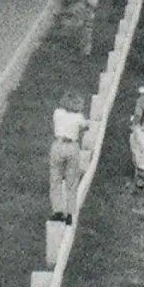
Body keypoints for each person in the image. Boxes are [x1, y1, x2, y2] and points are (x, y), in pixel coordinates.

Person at [48, 90, 88, 222]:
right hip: (72, 146)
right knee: (71, 181)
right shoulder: (78, 117)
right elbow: (85, 126)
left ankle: (57, 210)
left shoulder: (57, 113)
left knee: (56, 178)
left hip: (58, 145)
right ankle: (70, 213)